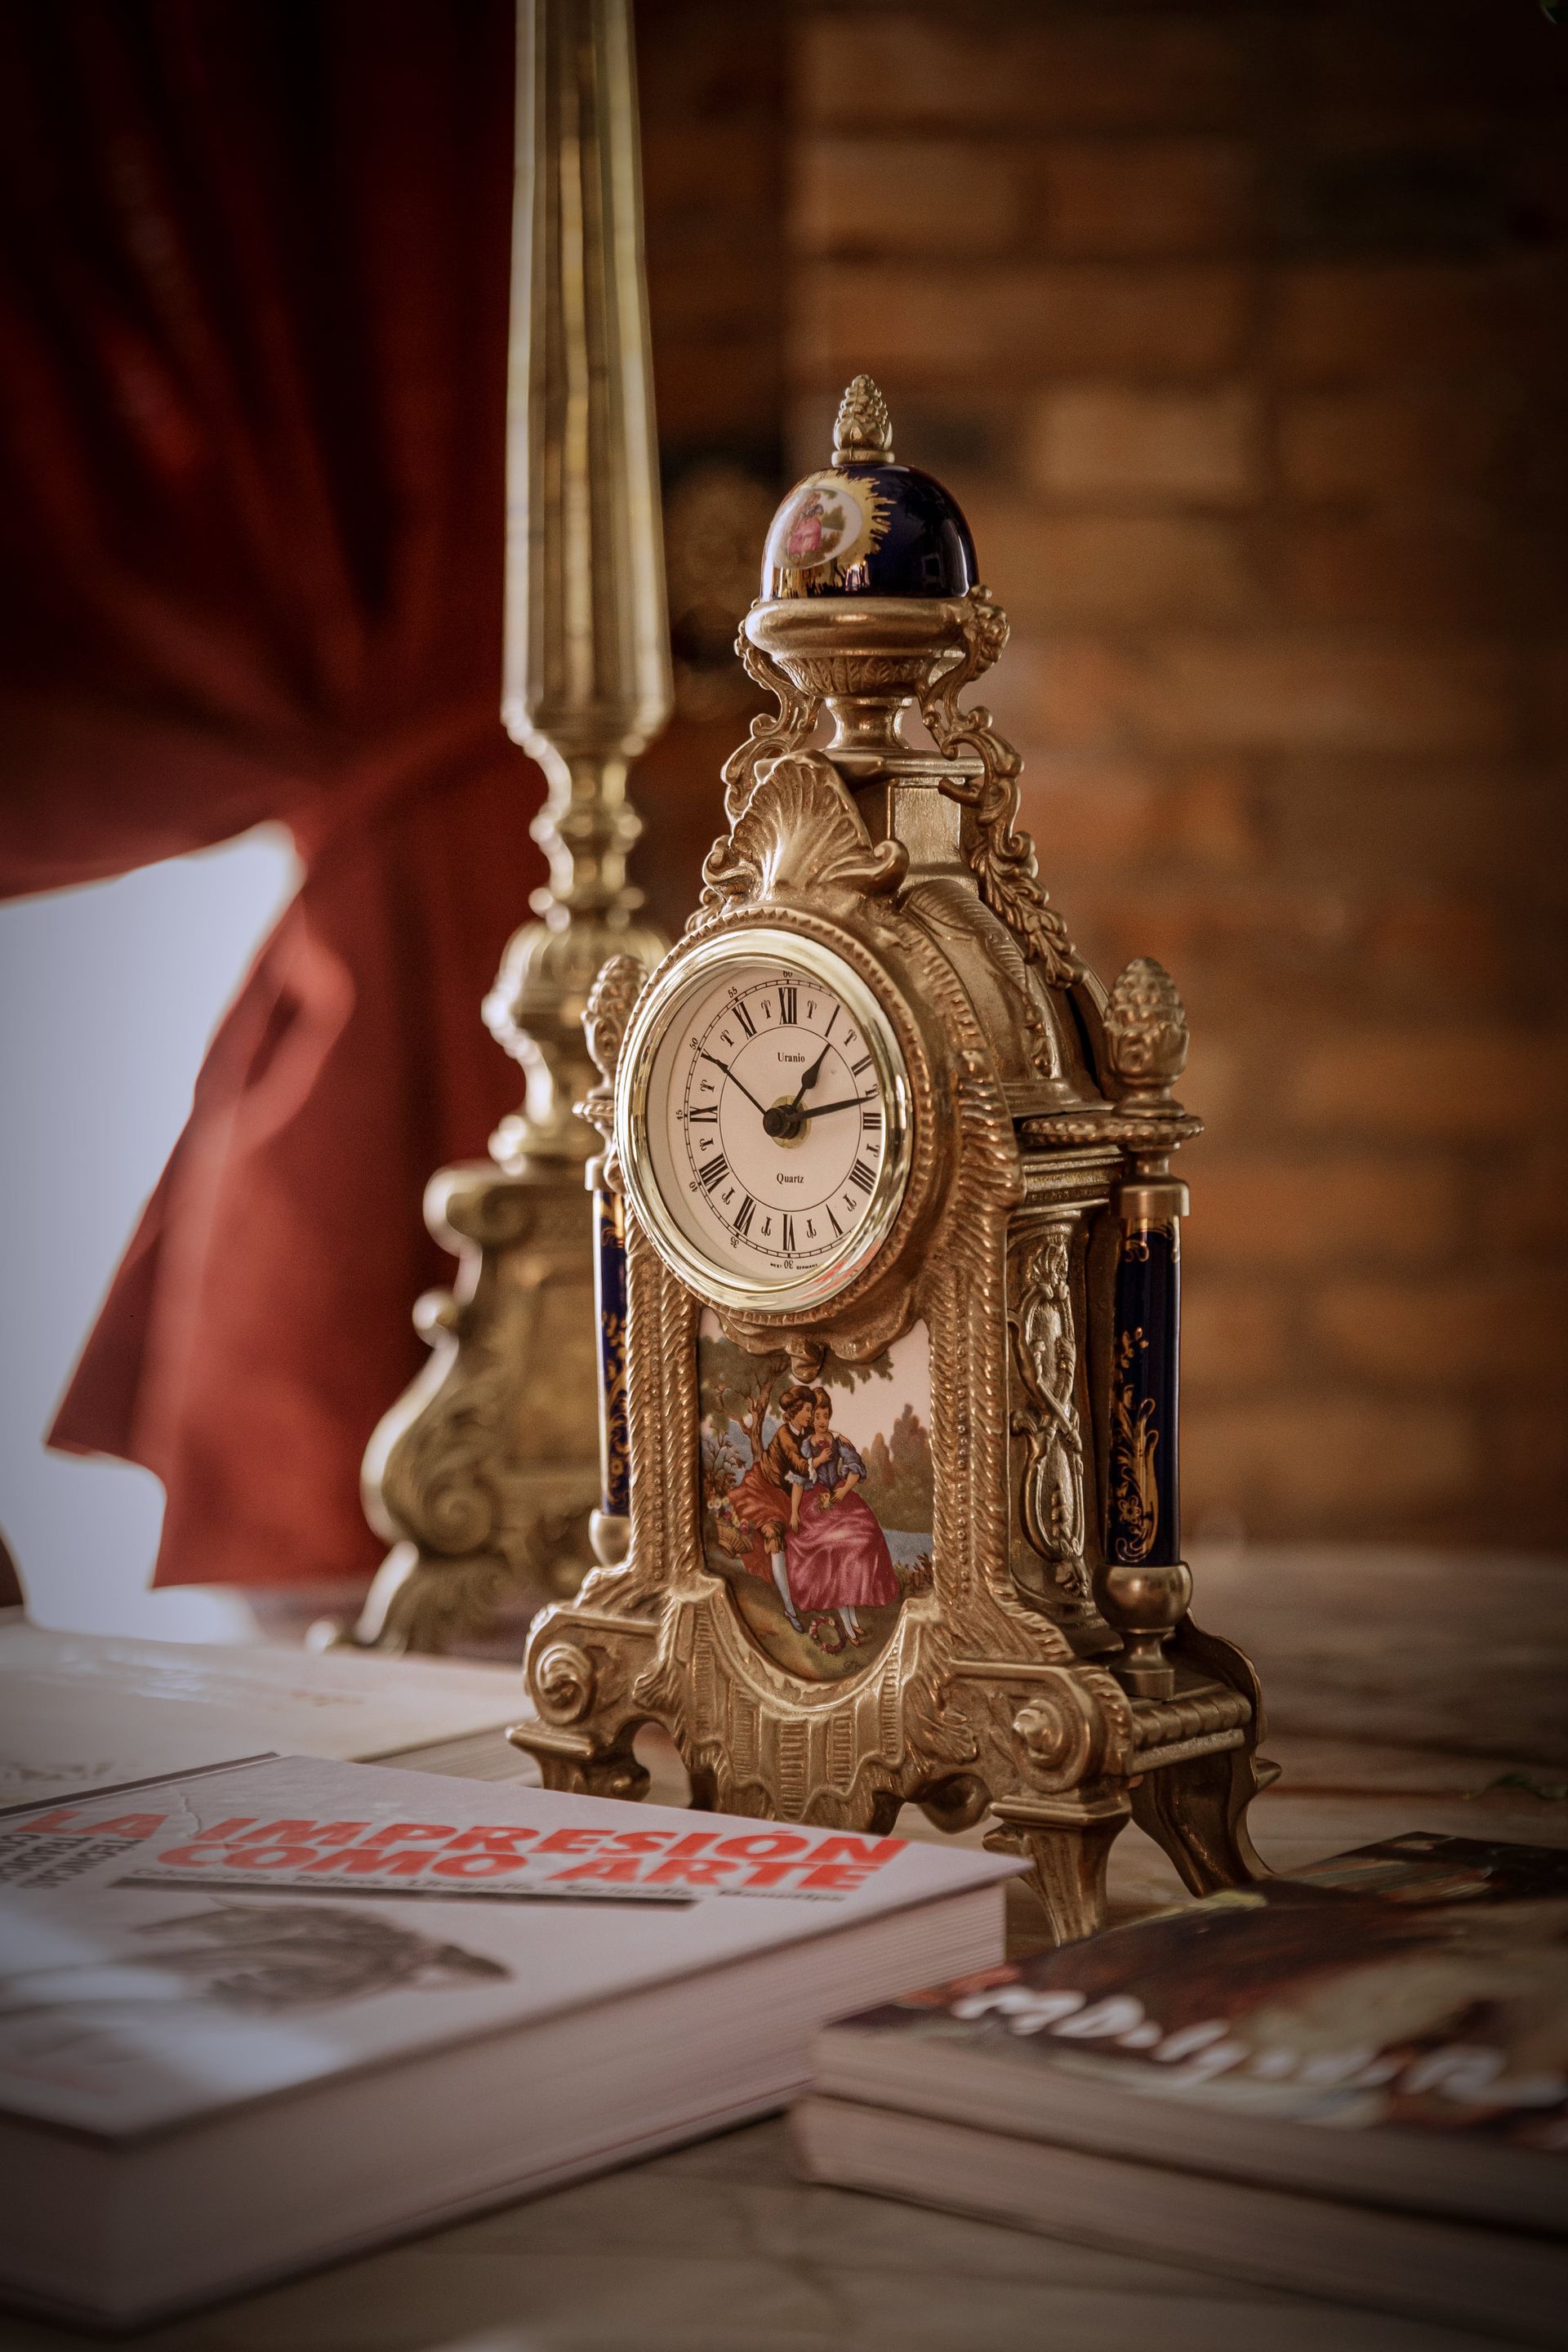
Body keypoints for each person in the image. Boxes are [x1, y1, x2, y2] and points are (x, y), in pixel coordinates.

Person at [786, 1389, 898, 1644]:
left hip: (839, 1495)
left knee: (864, 1538)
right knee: (832, 1549)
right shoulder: (805, 1446)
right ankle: (847, 1625)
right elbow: (799, 1480)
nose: (822, 1420)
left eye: (826, 1415)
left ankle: (853, 1620)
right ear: (811, 1418)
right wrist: (794, 1512)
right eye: (817, 1416)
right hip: (814, 1502)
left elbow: (856, 1469)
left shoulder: (839, 1441)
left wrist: (843, 1490)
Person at [715, 1384, 816, 1629]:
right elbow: (799, 1463)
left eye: (812, 1411)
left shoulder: (807, 1432)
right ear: (794, 1412)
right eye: (807, 1411)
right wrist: (820, 1460)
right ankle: (789, 1610)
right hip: (762, 1490)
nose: (810, 1416)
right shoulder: (784, 1434)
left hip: (787, 1494)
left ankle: (811, 1595)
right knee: (775, 1536)